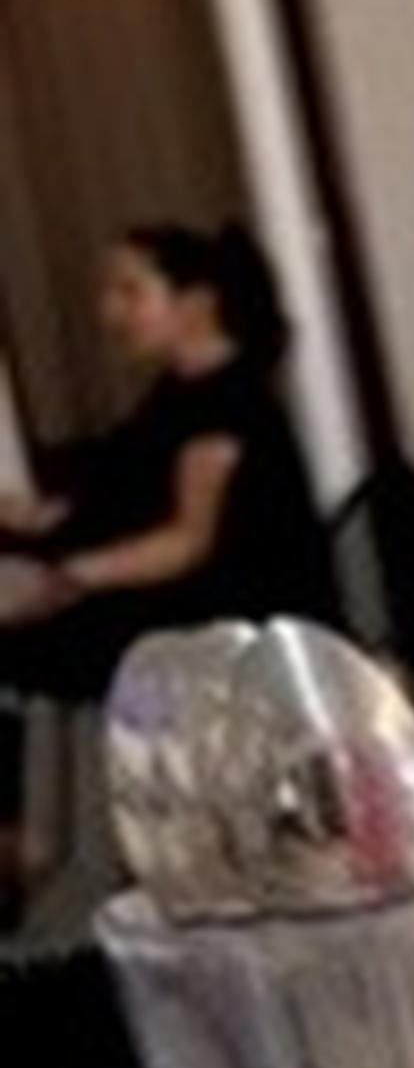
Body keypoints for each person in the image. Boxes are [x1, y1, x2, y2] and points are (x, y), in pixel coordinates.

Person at [0, 218, 328, 705]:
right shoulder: (176, 391)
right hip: (164, 598)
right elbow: (124, 490)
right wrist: (35, 518)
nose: (109, 312)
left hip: (217, 628)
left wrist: (61, 580)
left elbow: (186, 543)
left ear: (196, 303)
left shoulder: (228, 402)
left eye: (130, 292)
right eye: (108, 293)